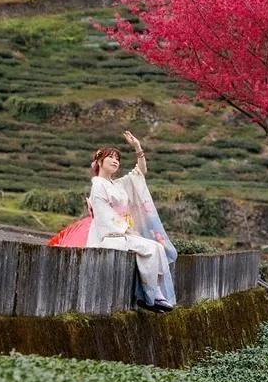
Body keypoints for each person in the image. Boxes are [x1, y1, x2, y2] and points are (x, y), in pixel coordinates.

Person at [48, 131, 177, 312]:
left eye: (118, 158)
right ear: (99, 162)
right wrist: (126, 229)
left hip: (121, 233)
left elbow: (140, 172)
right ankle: (150, 295)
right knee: (150, 248)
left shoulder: (117, 184)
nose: (115, 161)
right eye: (110, 157)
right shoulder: (98, 185)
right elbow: (103, 215)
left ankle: (152, 294)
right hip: (110, 236)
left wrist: (137, 147)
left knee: (156, 247)